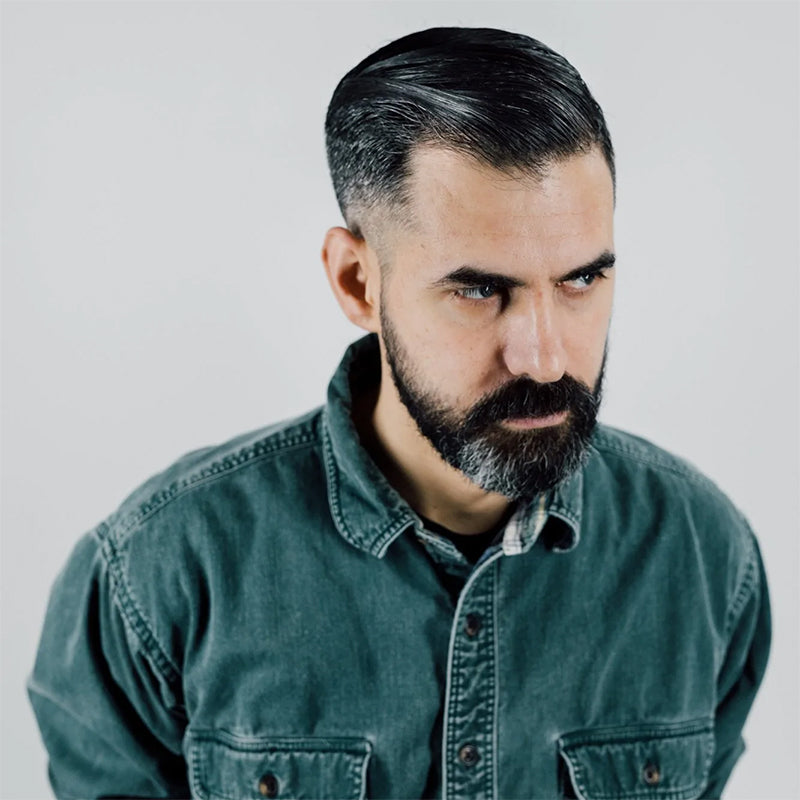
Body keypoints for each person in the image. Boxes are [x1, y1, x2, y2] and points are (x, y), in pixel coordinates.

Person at [28, 26, 770, 799]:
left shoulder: (704, 558)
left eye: (581, 279)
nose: (546, 359)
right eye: (480, 290)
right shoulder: (159, 576)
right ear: (357, 282)